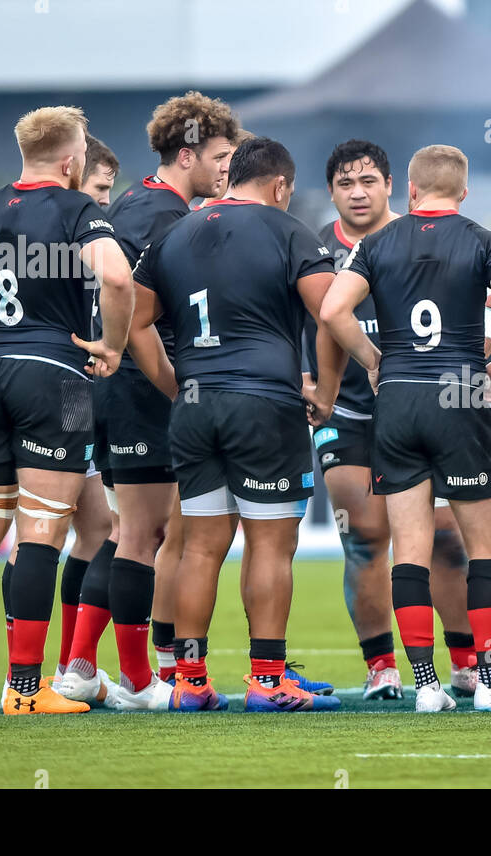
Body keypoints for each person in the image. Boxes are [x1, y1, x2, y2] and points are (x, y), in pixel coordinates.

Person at [0, 105, 133, 714]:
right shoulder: (78, 210)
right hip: (56, 378)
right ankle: (25, 691)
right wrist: (112, 346)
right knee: (40, 530)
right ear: (70, 161)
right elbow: (117, 280)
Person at [124, 136, 341, 711]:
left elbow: (136, 322)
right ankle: (268, 683)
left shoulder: (173, 233)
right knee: (270, 545)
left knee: (200, 546)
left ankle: (189, 683)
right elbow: (331, 314)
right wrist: (326, 390)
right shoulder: (289, 231)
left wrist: (176, 386)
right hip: (264, 405)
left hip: (195, 409)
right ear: (279, 186)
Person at [321, 144, 491, 712]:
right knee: (484, 547)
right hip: (460, 397)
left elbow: (332, 312)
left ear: (409, 191)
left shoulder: (375, 244)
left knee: (409, 551)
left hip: (396, 403)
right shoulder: (478, 238)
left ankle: (425, 686)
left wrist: (372, 361)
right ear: (463, 192)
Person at [58, 92, 240, 707]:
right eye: (220, 157)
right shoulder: (165, 217)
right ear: (185, 154)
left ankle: (86, 666)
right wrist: (175, 385)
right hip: (137, 387)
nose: (226, 169)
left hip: (115, 386)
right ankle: (132, 680)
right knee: (140, 533)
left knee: (131, 530)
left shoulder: (138, 202)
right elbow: (136, 312)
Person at [308, 140, 479, 701]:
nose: (357, 193)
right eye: (344, 184)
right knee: (366, 535)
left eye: (368, 182)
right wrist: (323, 390)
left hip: (423, 406)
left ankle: (465, 662)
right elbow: (315, 323)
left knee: (447, 542)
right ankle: (382, 666)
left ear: (393, 187)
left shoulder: (427, 235)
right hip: (351, 414)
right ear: (331, 191)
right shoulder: (314, 253)